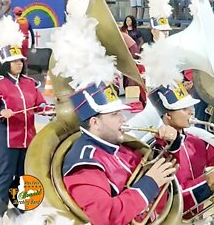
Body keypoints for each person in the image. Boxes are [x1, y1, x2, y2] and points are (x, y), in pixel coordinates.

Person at [62, 82, 180, 224]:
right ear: (95, 123)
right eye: (115, 114)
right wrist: (150, 183)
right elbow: (107, 217)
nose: (123, 118)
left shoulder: (119, 147)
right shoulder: (84, 164)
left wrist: (170, 143)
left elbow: (165, 171)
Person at [148, 82, 214, 218]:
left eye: (189, 107)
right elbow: (166, 197)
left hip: (197, 216)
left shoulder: (196, 141)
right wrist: (204, 184)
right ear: (168, 115)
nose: (191, 111)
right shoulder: (156, 150)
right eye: (184, 109)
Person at [0, 16, 54, 224]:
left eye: (20, 60)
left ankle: (24, 212)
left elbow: (40, 105)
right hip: (7, 137)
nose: (19, 64)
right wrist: (1, 113)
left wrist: (50, 110)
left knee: (24, 176)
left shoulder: (30, 83)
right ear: (6, 64)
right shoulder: (0, 84)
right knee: (6, 175)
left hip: (29, 137)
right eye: (14, 61)